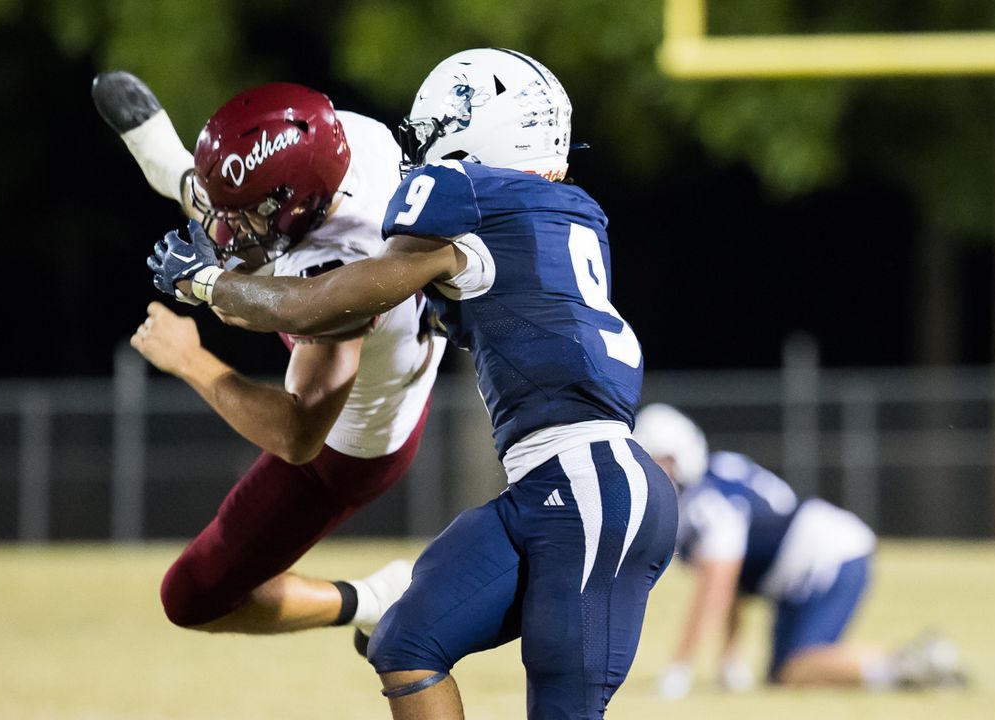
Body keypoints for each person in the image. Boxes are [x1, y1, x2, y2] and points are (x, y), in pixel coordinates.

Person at [143, 48, 679, 720]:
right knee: (405, 639)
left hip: (592, 487)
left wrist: (205, 283)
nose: (422, 155)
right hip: (549, 487)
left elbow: (318, 301)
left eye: (434, 134)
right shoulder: (558, 212)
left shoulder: (469, 199)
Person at [92, 72, 445, 639]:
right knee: (238, 265)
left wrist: (188, 357)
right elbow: (245, 225)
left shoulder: (341, 267)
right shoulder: (348, 144)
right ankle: (188, 181)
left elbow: (296, 436)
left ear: (299, 205)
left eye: (247, 213)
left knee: (193, 597)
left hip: (345, 447)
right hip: (394, 355)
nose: (230, 226)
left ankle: (377, 599)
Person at [631, 403, 968, 697]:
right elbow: (733, 586)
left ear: (679, 455)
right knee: (784, 674)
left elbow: (717, 587)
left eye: (658, 460)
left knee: (798, 668)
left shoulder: (705, 503)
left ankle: (906, 667)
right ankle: (907, 665)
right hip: (809, 562)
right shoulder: (716, 477)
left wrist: (680, 669)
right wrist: (728, 661)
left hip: (826, 556)